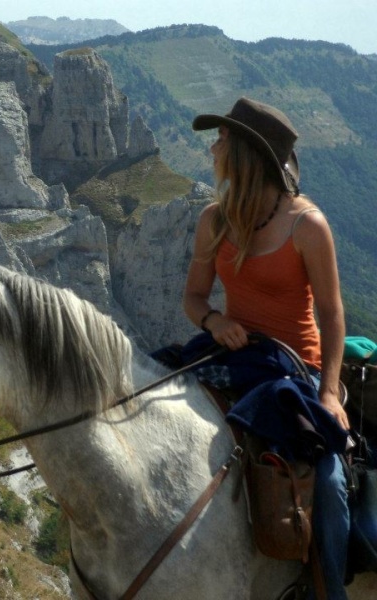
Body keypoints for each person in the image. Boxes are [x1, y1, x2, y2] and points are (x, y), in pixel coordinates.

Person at [183, 97, 350, 599]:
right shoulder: (215, 220)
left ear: (246, 157)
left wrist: (329, 393)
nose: (213, 149)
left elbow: (333, 315)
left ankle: (328, 589)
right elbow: (193, 298)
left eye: (222, 140)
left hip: (295, 370)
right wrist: (215, 320)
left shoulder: (307, 226)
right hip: (235, 356)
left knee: (330, 481)